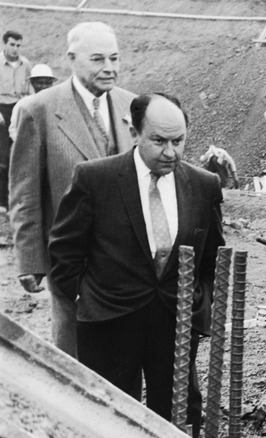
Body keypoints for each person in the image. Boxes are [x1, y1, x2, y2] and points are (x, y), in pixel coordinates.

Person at [8, 22, 234, 357]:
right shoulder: (37, 110)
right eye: (98, 59)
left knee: (122, 353)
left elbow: (162, 164)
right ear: (71, 58)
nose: (109, 68)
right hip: (72, 257)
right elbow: (24, 192)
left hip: (128, 258)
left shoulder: (134, 106)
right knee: (75, 350)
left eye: (115, 58)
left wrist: (208, 170)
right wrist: (30, 259)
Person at [48, 93, 225, 437]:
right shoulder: (95, 179)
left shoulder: (204, 186)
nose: (170, 152)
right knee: (107, 418)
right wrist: (88, 299)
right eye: (159, 141)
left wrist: (198, 303)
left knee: (179, 416)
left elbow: (212, 257)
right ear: (134, 132)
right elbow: (64, 252)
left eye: (179, 141)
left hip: (175, 323)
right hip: (109, 324)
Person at [0, 30, 31, 210]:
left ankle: (17, 199)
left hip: (18, 109)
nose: (15, 49)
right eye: (12, 44)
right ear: (5, 44)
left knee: (18, 154)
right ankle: (2, 201)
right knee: (2, 156)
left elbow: (29, 91)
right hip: (1, 110)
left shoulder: (25, 64)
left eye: (18, 45)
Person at [9, 64, 58, 142]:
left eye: (48, 83)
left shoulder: (57, 104)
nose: (44, 86)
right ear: (32, 83)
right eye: (40, 83)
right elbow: (14, 129)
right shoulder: (23, 104)